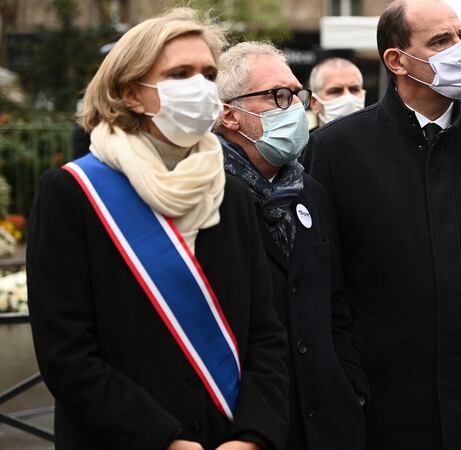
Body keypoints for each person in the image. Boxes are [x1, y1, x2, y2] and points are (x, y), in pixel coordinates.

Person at [26, 9, 289, 450]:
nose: (201, 88)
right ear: (130, 93)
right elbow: (66, 353)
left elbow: (265, 335)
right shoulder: (73, 194)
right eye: (180, 73)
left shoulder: (232, 194)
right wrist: (165, 440)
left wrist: (253, 435)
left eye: (208, 74)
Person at [303, 1, 461, 448]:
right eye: (441, 41)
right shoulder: (336, 150)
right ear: (397, 61)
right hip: (381, 404)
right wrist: (345, 388)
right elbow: (323, 287)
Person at [214, 41, 368, 450]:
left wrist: (351, 386)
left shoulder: (309, 191)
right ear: (229, 113)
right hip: (247, 426)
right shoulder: (206, 197)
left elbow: (333, 302)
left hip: (326, 423)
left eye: (296, 96)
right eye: (277, 96)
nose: (294, 108)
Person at [308, 57, 366, 129]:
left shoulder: (381, 138)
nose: (348, 98)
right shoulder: (305, 140)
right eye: (335, 91)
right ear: (314, 103)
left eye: (354, 89)